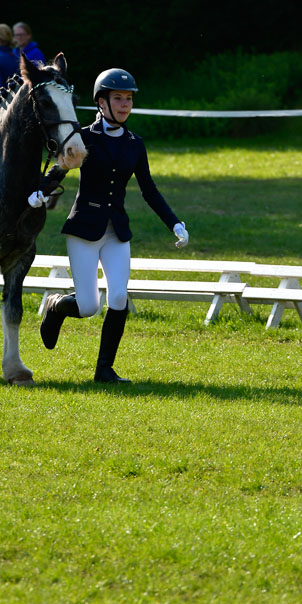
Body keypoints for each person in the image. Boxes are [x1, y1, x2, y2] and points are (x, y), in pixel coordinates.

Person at [31, 68, 189, 384]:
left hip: (117, 231)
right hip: (84, 230)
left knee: (118, 297)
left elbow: (149, 189)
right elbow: (60, 170)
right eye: (118, 98)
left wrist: (175, 223)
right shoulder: (84, 138)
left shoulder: (135, 144)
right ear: (101, 102)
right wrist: (39, 191)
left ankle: (104, 369)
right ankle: (57, 306)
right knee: (89, 306)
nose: (124, 104)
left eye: (128, 99)